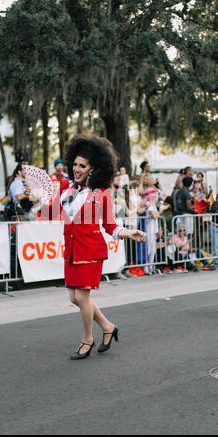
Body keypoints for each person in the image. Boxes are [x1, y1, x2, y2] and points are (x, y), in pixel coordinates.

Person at [39, 134, 146, 360]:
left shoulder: (102, 194)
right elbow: (50, 212)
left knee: (82, 298)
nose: (77, 169)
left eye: (82, 165)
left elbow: (110, 225)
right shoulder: (67, 188)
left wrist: (129, 233)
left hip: (90, 250)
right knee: (74, 298)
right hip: (71, 249)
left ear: (92, 168)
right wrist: (35, 200)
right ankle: (108, 327)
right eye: (75, 164)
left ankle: (87, 339)